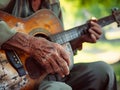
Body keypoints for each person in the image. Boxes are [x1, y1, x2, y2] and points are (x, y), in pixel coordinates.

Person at [0, 0, 117, 90]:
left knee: (103, 71)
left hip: (47, 75)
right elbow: (38, 46)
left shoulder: (53, 3)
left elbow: (54, 43)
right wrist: (29, 44)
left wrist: (79, 39)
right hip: (10, 77)